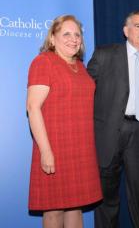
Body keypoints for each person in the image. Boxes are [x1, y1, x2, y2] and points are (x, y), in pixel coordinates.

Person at [87, 11, 139, 228]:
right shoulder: (105, 54)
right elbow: (84, 94)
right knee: (106, 197)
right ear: (126, 31)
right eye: (138, 26)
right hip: (110, 133)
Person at [26, 15, 102, 228]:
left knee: (76, 207)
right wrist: (46, 151)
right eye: (66, 34)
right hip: (55, 147)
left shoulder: (80, 66)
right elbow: (33, 108)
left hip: (81, 148)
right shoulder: (43, 62)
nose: (73, 39)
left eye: (77, 34)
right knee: (54, 210)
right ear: (53, 38)